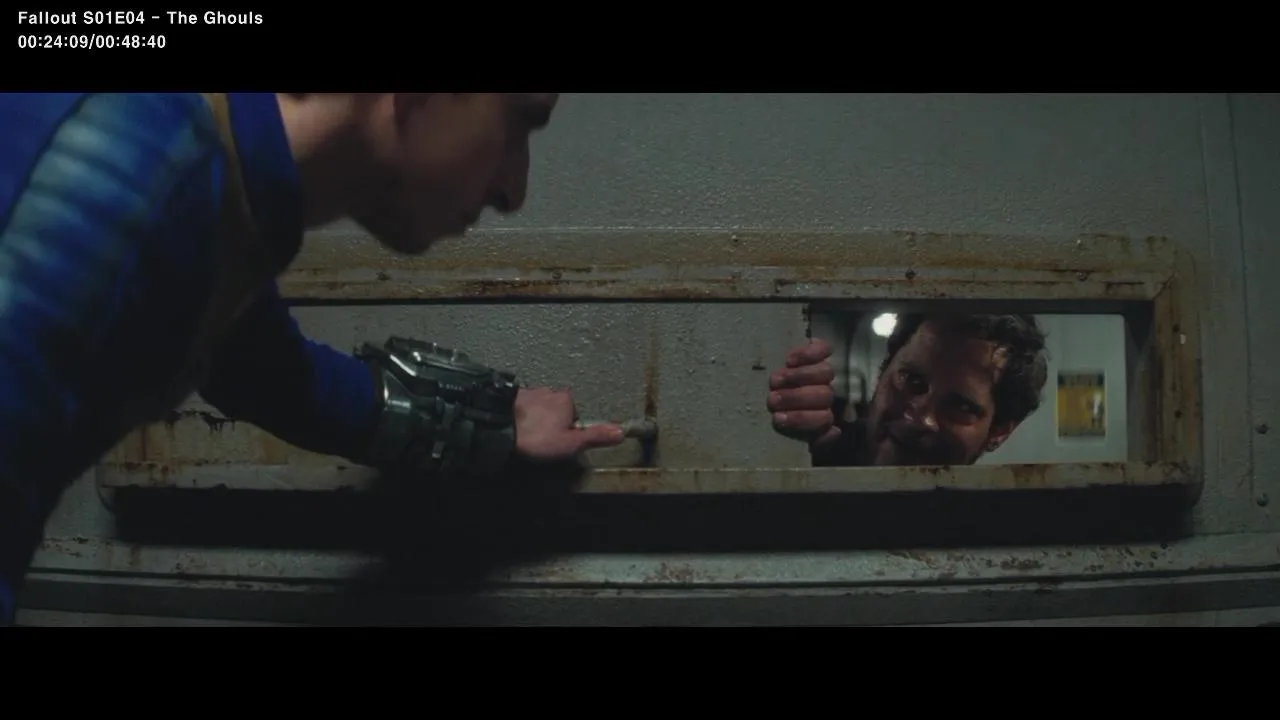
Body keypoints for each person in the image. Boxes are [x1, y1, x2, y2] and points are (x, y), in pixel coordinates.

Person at [0, 93, 627, 624]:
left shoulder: (211, 186)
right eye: (518, 121)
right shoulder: (110, 184)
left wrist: (492, 425)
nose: (514, 190)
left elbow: (274, 377)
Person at [767, 313, 1048, 466]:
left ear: (999, 432)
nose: (921, 419)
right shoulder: (811, 455)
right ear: (883, 370)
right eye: (912, 380)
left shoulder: (990, 532)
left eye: (960, 407)